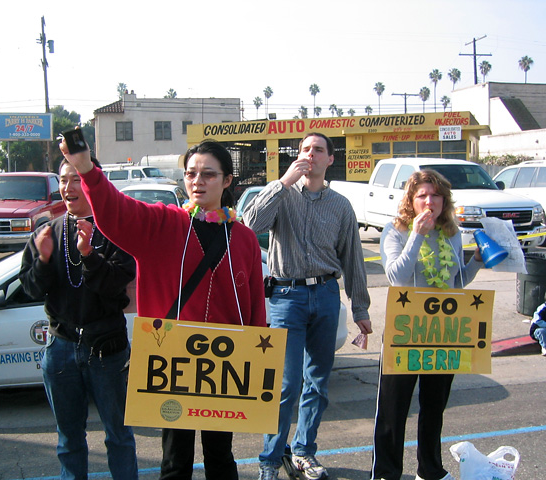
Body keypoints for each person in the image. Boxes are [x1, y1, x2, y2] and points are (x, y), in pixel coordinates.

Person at [60, 138, 266, 480]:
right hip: (173, 366)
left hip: (224, 370)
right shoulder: (163, 225)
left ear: (228, 180)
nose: (198, 181)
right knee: (175, 460)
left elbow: (255, 305)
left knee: (221, 458)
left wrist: (257, 363)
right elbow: (117, 211)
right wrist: (86, 170)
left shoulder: (243, 237)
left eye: (209, 174)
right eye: (191, 173)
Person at [243, 132, 373, 480]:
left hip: (327, 294)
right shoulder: (282, 195)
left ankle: (304, 451)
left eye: (318, 150)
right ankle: (270, 460)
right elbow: (249, 225)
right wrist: (284, 182)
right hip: (287, 297)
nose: (310, 155)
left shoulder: (341, 205)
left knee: (317, 381)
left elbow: (353, 259)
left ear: (330, 159)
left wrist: (360, 308)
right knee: (285, 384)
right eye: (304, 149)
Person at [19, 157, 138, 480]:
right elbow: (30, 288)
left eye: (75, 179)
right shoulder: (49, 232)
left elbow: (116, 288)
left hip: (106, 349)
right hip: (61, 348)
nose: (67, 187)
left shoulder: (114, 231)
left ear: (91, 183)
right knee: (69, 439)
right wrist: (43, 259)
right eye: (62, 180)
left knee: (119, 435)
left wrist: (88, 254)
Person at [371, 169, 484, 480]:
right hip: (406, 330)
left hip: (443, 330)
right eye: (422, 195)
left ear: (444, 200)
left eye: (435, 195)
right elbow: (396, 277)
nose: (429, 201)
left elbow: (456, 282)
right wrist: (417, 234)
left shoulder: (451, 232)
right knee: (393, 409)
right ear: (411, 200)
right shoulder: (395, 231)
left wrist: (474, 262)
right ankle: (386, 472)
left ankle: (430, 469)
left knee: (434, 406)